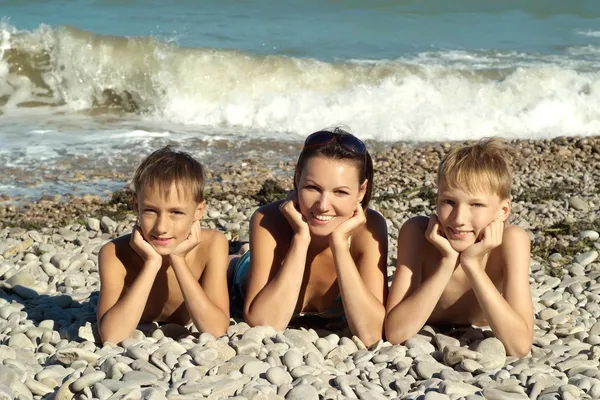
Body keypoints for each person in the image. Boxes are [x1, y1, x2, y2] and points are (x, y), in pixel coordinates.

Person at [229, 128, 388, 347]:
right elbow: (265, 323)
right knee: (231, 261)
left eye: (340, 192)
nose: (322, 205)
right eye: (313, 188)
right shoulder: (268, 220)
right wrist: (301, 239)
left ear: (361, 192)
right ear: (297, 179)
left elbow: (372, 334)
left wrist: (340, 245)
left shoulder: (369, 230)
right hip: (240, 276)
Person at [385, 138, 533, 357]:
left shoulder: (511, 241)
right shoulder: (416, 233)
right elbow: (395, 333)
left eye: (476, 205)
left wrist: (472, 265)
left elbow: (519, 346)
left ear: (502, 211)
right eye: (449, 202)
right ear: (436, 200)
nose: (459, 219)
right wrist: (447, 262)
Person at [97, 146, 229, 343]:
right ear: (136, 207)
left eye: (176, 212)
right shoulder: (114, 254)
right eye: (150, 210)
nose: (161, 227)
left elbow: (216, 329)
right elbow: (111, 336)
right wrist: (151, 264)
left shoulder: (213, 245)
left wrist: (178, 259)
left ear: (198, 211)